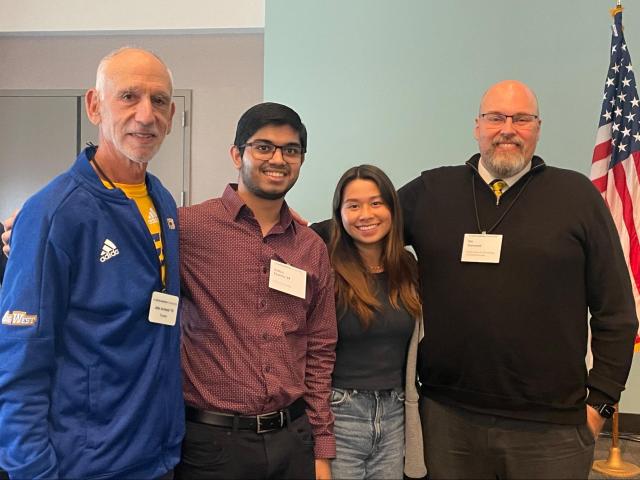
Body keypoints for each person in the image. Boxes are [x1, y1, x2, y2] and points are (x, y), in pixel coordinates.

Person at [398, 80, 639, 479]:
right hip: (447, 419)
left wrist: (601, 405)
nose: (507, 128)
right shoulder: (431, 191)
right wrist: (271, 214)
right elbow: (360, 227)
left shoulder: (576, 196)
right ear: (477, 126)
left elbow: (617, 312)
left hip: (552, 428)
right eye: (496, 117)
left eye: (521, 118)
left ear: (538, 128)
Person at [0, 47, 184, 479]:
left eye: (159, 101)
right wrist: (32, 471)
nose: (146, 114)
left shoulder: (164, 202)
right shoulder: (54, 212)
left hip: (157, 455)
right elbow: (18, 362)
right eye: (128, 97)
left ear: (173, 114)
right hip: (83, 465)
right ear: (94, 104)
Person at [175, 102, 337, 480]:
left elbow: (320, 349)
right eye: (263, 146)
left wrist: (321, 448)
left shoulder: (311, 247)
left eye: (290, 150)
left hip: (292, 441)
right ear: (237, 154)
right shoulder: (188, 228)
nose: (277, 159)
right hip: (212, 445)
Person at [314, 165, 426, 479]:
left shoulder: (407, 266)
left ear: (392, 208)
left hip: (395, 414)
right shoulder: (324, 266)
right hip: (339, 412)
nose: (366, 214)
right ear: (339, 213)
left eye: (376, 203)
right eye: (353, 205)